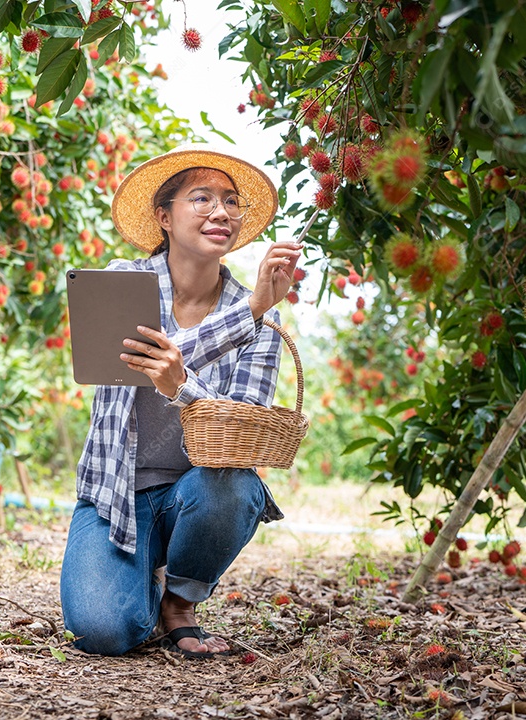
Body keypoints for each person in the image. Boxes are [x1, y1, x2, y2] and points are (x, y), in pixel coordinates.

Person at [59, 144, 302, 658]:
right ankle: (139, 578)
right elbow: (128, 358)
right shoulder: (123, 282)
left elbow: (241, 427)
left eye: (231, 201)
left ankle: (179, 601)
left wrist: (181, 385)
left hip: (200, 489)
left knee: (234, 486)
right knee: (102, 632)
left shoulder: (260, 320)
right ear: (163, 217)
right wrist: (252, 310)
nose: (221, 211)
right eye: (202, 198)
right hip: (116, 493)